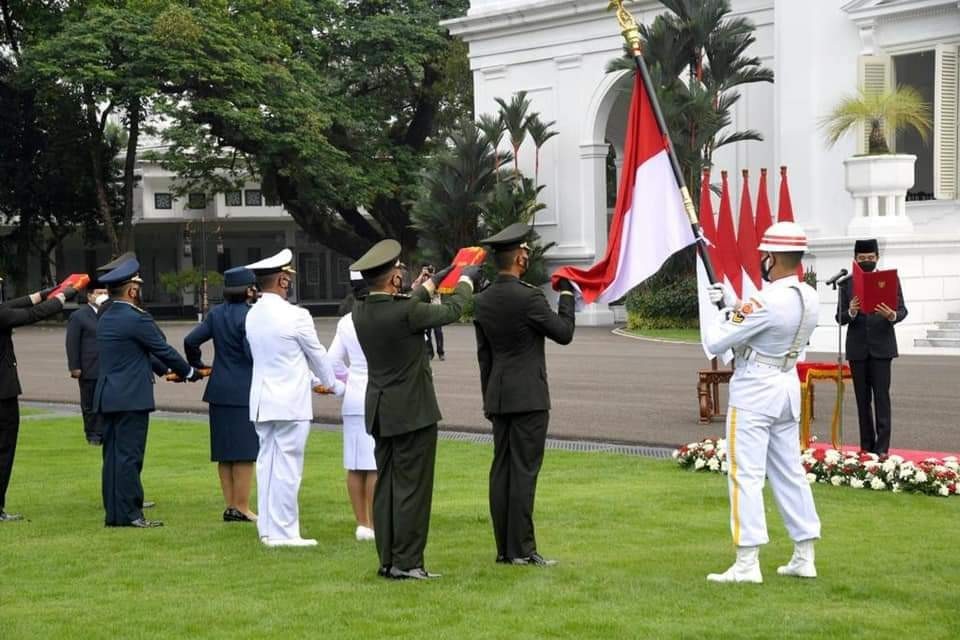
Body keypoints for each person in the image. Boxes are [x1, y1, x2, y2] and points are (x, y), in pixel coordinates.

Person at [350, 240, 478, 580]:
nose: (403, 275)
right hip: (411, 411)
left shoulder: (360, 308)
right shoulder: (405, 312)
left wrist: (437, 280)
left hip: (381, 410)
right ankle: (408, 562)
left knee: (387, 487)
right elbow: (452, 311)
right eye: (399, 271)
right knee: (412, 490)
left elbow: (408, 302)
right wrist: (465, 280)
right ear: (393, 279)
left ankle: (389, 560)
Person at [703, 221, 821, 583]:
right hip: (786, 386)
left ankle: (746, 562)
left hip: (755, 391)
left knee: (746, 476)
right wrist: (734, 307)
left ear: (772, 257)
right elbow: (760, 323)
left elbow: (719, 339)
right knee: (790, 473)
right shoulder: (809, 296)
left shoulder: (766, 301)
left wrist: (716, 311)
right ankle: (804, 554)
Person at [473, 223, 576, 566]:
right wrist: (565, 296)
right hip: (529, 396)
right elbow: (563, 333)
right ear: (519, 257)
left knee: (501, 470)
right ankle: (523, 549)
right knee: (524, 473)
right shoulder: (529, 296)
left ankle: (504, 548)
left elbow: (484, 356)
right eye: (526, 252)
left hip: (499, 395)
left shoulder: (483, 299)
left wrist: (490, 397)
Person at [245, 249, 344, 547]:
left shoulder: (252, 314)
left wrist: (314, 379)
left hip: (263, 401)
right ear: (282, 281)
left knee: (267, 464)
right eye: (287, 278)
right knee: (287, 468)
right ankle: (285, 533)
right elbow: (317, 356)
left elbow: (283, 357)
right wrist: (333, 385)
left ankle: (267, 528)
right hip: (289, 402)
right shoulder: (296, 315)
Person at [95, 257, 201, 528]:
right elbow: (161, 348)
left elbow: (135, 352)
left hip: (108, 394)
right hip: (131, 396)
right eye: (137, 287)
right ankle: (131, 514)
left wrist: (163, 371)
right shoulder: (135, 318)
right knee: (130, 456)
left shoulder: (106, 316)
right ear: (131, 290)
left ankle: (115, 513)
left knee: (113, 457)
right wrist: (189, 372)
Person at [0, 277, 80, 521]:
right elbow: (31, 315)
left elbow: (16, 304)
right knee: (4, 448)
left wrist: (45, 293)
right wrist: (62, 297)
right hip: (2, 392)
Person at [184, 267, 260, 523]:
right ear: (249, 289)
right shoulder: (251, 316)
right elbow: (252, 353)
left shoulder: (216, 314)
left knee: (225, 453)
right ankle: (242, 507)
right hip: (243, 388)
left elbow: (191, 340)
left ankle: (231, 505)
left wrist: (198, 364)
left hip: (219, 388)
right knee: (245, 453)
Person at [837, 238, 908, 456]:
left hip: (882, 347)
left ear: (877, 257)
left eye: (870, 258)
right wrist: (851, 311)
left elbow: (903, 310)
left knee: (881, 398)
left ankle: (882, 448)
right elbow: (839, 318)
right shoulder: (847, 284)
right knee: (862, 400)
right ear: (855, 259)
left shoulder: (890, 279)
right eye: (862, 258)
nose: (867, 261)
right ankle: (866, 446)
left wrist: (892, 315)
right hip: (858, 349)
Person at [327, 272, 377, 541]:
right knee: (373, 465)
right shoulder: (381, 314)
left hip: (354, 395)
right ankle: (375, 524)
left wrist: (346, 385)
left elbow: (331, 361)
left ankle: (362, 523)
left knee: (356, 464)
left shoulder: (347, 321)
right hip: (377, 391)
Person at [66, 284, 110, 445]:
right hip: (89, 367)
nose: (103, 295)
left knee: (106, 401)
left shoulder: (110, 312)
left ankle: (105, 432)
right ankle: (92, 433)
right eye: (99, 292)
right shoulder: (79, 316)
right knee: (90, 402)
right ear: (90, 296)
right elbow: (72, 342)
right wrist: (74, 366)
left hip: (109, 367)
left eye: (106, 292)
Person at [412, 265, 446, 361]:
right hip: (425, 310)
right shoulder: (422, 282)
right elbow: (413, 287)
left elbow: (439, 288)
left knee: (438, 332)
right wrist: (421, 275)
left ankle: (441, 352)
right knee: (427, 333)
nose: (428, 273)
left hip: (436, 309)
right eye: (427, 270)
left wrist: (432, 275)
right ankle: (430, 352)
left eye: (430, 270)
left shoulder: (436, 280)